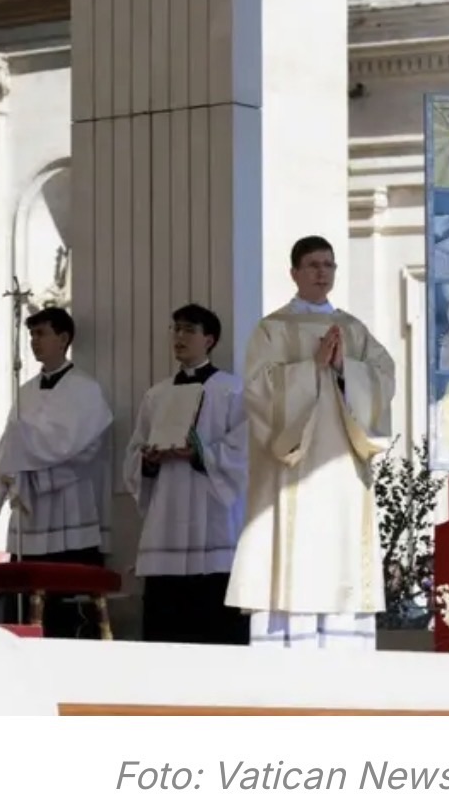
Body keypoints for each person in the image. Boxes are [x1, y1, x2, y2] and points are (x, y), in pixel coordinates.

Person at [225, 235, 396, 650]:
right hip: (292, 466)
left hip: (341, 467)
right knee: (293, 549)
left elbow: (384, 378)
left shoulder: (353, 330)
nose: (323, 273)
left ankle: (343, 645)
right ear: (295, 273)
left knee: (338, 545)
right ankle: (288, 644)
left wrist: (343, 369)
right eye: (314, 265)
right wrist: (310, 369)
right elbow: (257, 390)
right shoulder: (272, 329)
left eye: (329, 265)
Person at [124, 304, 249, 645]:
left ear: (209, 339)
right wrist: (147, 461)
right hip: (167, 512)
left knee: (213, 623)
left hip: (211, 514)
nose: (179, 337)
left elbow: (244, 450)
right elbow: (134, 449)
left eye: (189, 330)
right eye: (176, 329)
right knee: (167, 623)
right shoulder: (157, 394)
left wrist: (202, 455)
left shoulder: (232, 390)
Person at [0, 306, 113, 638]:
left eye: (41, 334)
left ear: (63, 338)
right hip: (31, 509)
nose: (34, 342)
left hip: (68, 501)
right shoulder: (25, 391)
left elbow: (83, 446)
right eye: (31, 335)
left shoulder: (85, 389)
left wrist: (33, 453)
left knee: (67, 596)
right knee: (26, 596)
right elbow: (10, 443)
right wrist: (15, 471)